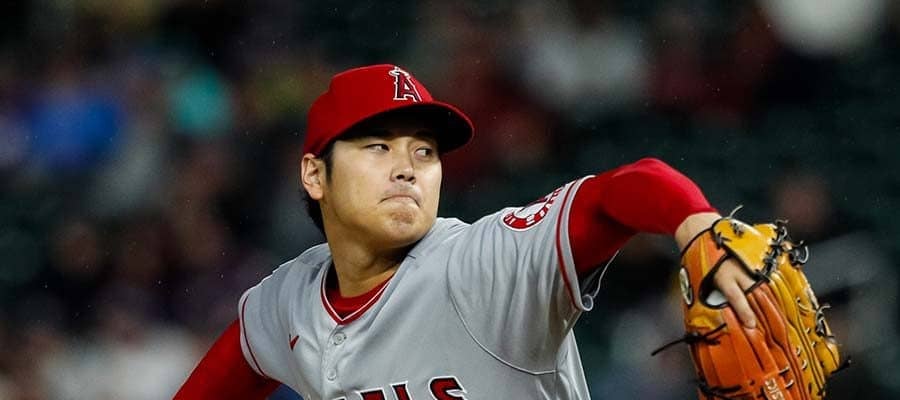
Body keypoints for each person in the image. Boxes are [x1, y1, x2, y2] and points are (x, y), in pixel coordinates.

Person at [174, 64, 757, 399]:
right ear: (314, 175)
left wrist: (696, 223)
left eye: (424, 151)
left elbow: (621, 191)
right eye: (378, 146)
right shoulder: (287, 303)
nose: (407, 168)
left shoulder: (483, 265)